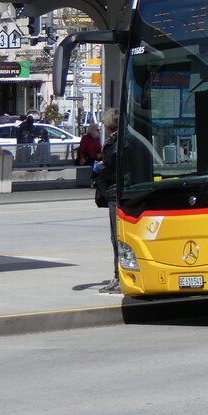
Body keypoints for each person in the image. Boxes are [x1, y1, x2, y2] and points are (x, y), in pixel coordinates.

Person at [93, 108, 121, 294]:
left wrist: (99, 168)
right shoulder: (120, 140)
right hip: (114, 191)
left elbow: (111, 167)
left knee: (116, 236)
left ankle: (119, 276)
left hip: (114, 191)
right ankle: (119, 275)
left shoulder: (115, 142)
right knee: (116, 236)